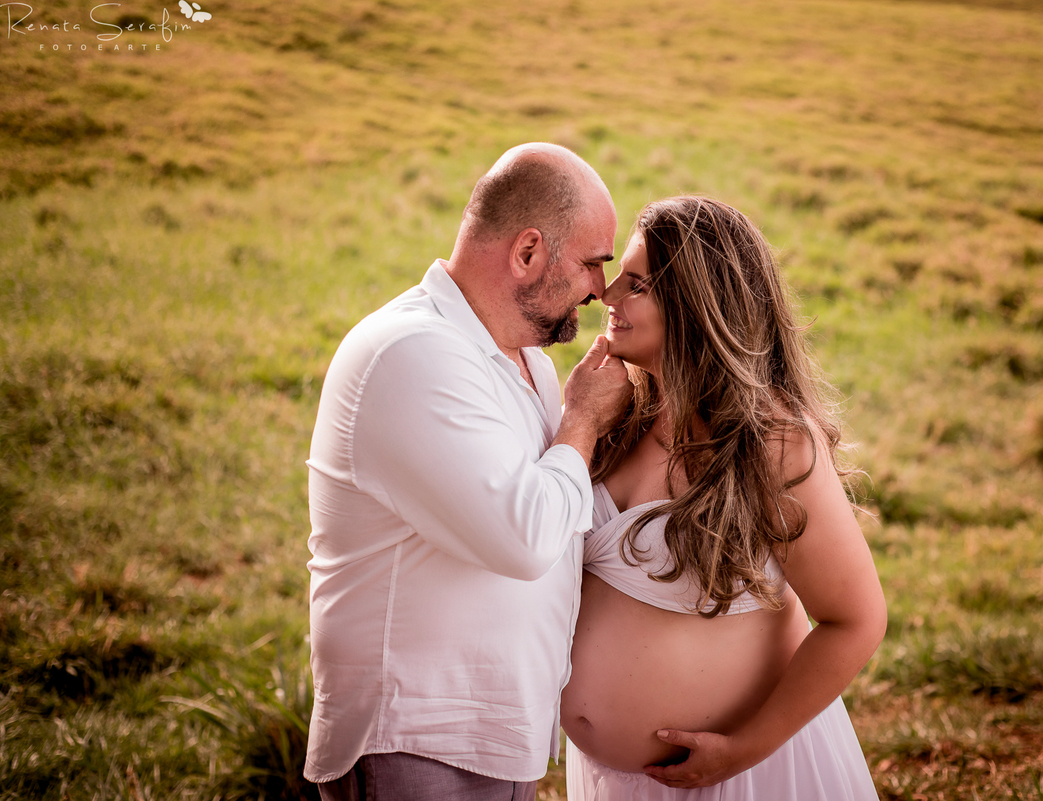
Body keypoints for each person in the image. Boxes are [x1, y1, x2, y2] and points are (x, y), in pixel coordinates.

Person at [304, 143, 632, 801]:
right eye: (592, 262)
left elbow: (563, 516)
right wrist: (583, 421)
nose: (602, 288)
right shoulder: (412, 353)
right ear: (528, 252)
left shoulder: (529, 363)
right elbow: (523, 536)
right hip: (415, 741)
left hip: (495, 739)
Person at [560, 196, 887, 799]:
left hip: (741, 779)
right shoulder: (615, 412)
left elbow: (856, 621)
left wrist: (746, 749)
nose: (607, 294)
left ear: (695, 308)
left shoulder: (772, 444)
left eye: (637, 285)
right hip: (614, 783)